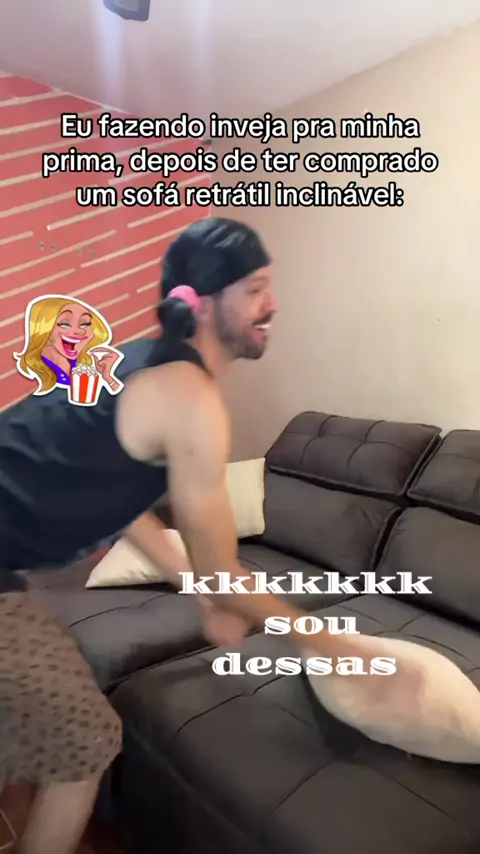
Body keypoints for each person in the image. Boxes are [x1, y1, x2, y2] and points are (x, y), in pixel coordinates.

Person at [0, 217, 353, 854]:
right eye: (255, 289)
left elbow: (119, 504)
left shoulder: (141, 362)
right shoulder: (190, 398)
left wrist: (198, 591)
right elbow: (225, 573)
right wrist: (327, 639)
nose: (272, 304)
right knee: (88, 744)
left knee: (34, 728)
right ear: (207, 302)